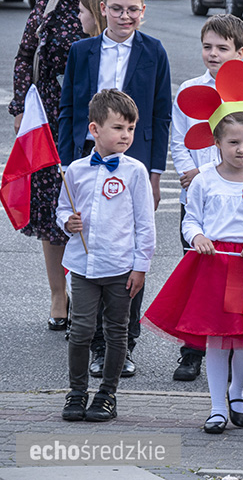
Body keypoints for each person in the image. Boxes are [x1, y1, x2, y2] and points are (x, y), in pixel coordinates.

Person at [143, 79, 243, 434]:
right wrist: (196, 235)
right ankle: (215, 407)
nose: (242, 149)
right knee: (215, 338)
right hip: (212, 264)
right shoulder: (204, 180)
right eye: (233, 142)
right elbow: (191, 218)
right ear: (216, 143)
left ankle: (237, 392)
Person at [59, 0, 173, 378]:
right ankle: (91, 338)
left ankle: (124, 341)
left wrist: (156, 172)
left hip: (134, 161)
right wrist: (65, 158)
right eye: (117, 9)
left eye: (133, 11)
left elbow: (161, 115)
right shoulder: (82, 51)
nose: (125, 17)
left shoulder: (154, 51)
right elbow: (69, 107)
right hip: (86, 160)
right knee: (89, 246)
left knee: (129, 250)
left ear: (143, 12)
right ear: (102, 8)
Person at [11, 0, 111, 331]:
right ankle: (59, 295)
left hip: (94, 119)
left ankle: (96, 295)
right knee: (54, 207)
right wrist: (20, 107)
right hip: (50, 117)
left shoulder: (107, 7)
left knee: (93, 208)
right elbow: (23, 57)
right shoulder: (47, 6)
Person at [170, 14, 243, 382]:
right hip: (198, 195)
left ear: (239, 53)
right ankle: (193, 350)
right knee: (198, 275)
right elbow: (180, 141)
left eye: (222, 49)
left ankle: (227, 345)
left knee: (234, 279)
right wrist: (192, 175)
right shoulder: (189, 90)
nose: (213, 54)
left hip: (237, 199)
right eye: (208, 47)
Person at [58, 89, 155, 423]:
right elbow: (63, 209)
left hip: (120, 267)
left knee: (117, 332)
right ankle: (76, 391)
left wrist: (140, 267)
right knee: (81, 329)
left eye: (130, 128)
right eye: (118, 128)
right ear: (95, 130)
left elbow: (146, 224)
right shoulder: (75, 171)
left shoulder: (135, 171)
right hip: (84, 266)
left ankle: (106, 394)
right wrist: (66, 222)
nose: (125, 135)